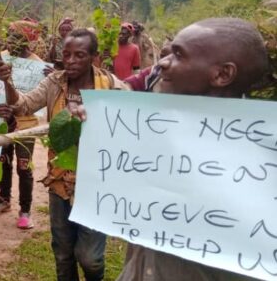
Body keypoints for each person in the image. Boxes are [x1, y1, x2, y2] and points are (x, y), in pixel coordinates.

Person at [72, 18, 269, 281]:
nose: (162, 63)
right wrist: (102, 124)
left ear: (222, 75)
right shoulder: (154, 129)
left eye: (178, 55)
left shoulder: (262, 164)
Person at [0, 28, 127, 281]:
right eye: (66, 55)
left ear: (94, 57)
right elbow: (23, 105)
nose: (71, 61)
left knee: (90, 257)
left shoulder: (112, 87)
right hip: (59, 181)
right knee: (63, 253)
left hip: (95, 184)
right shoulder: (54, 83)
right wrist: (7, 82)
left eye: (79, 55)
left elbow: (129, 124)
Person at [0, 21, 42, 229]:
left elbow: (36, 99)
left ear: (27, 39)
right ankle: (4, 199)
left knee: (24, 167)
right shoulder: (0, 57)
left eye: (15, 35)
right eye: (8, 34)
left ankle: (25, 209)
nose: (9, 39)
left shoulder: (38, 65)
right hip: (3, 122)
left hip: (26, 124)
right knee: (3, 161)